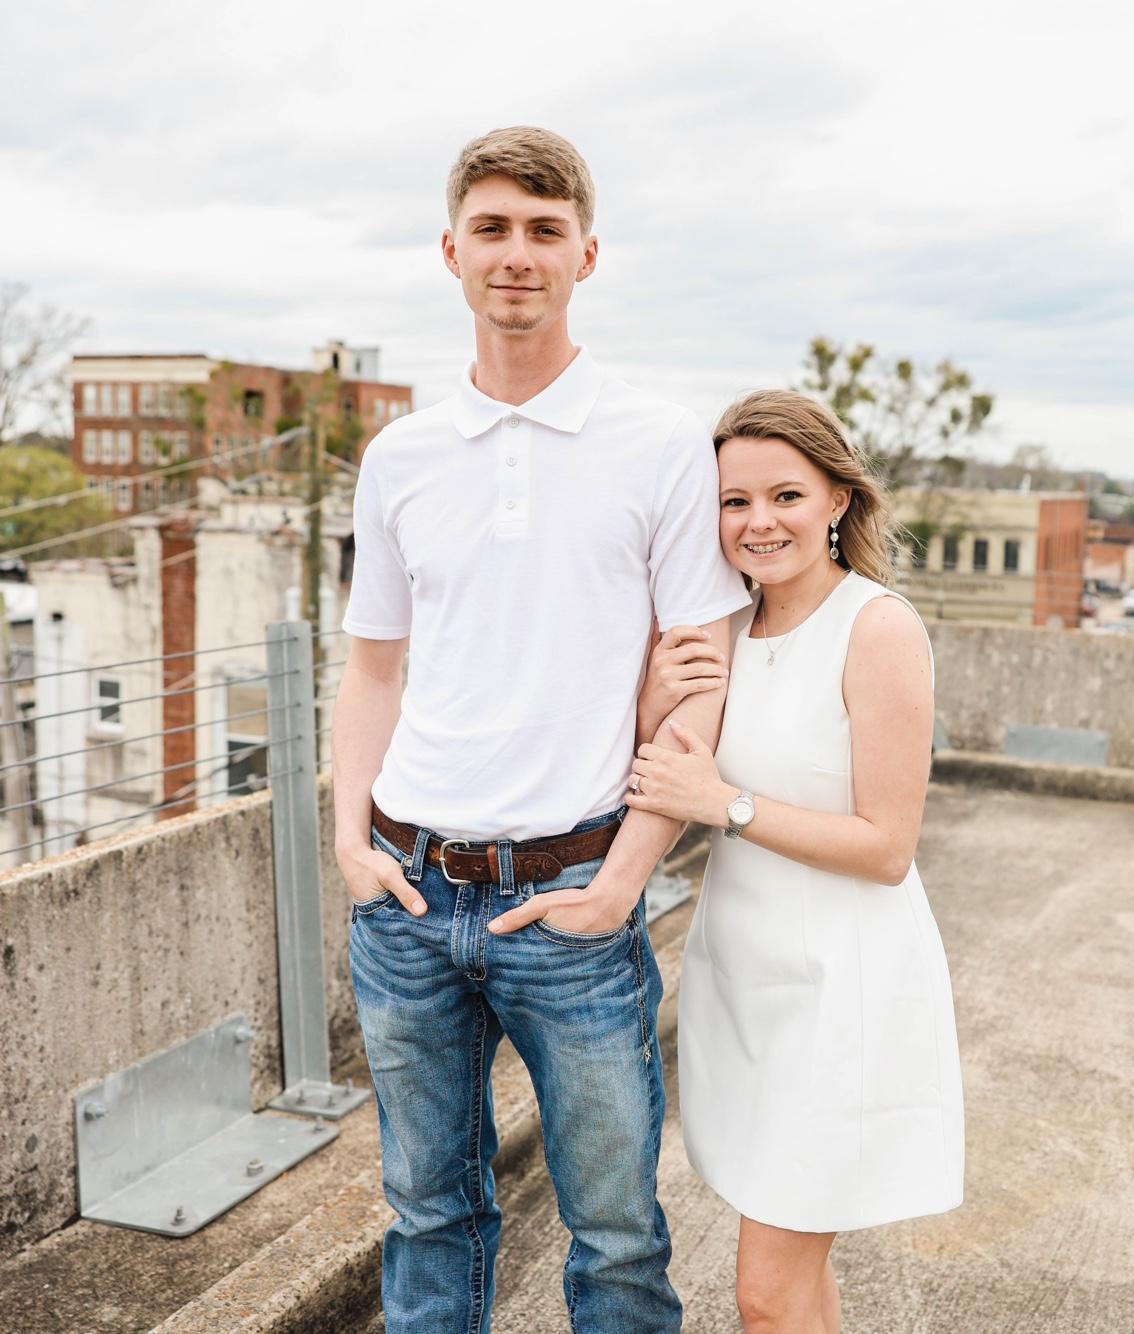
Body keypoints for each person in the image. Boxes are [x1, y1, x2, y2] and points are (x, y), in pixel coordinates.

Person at [333, 126, 750, 1332]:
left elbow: (700, 675)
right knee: (426, 1216)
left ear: (585, 255)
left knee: (615, 1235)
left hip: (575, 894)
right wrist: (350, 843)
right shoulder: (400, 454)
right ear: (451, 251)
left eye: (544, 230)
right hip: (406, 898)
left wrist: (624, 880)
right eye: (493, 228)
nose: (516, 253)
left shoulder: (659, 442)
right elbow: (370, 669)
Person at [628, 390, 965, 1333]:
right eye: (734, 501)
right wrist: (652, 705)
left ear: (837, 501)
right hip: (741, 985)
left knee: (766, 1297)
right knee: (800, 1285)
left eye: (786, 495)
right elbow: (662, 782)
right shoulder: (723, 635)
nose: (758, 522)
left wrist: (728, 807)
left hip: (840, 993)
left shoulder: (877, 627)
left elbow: (887, 847)